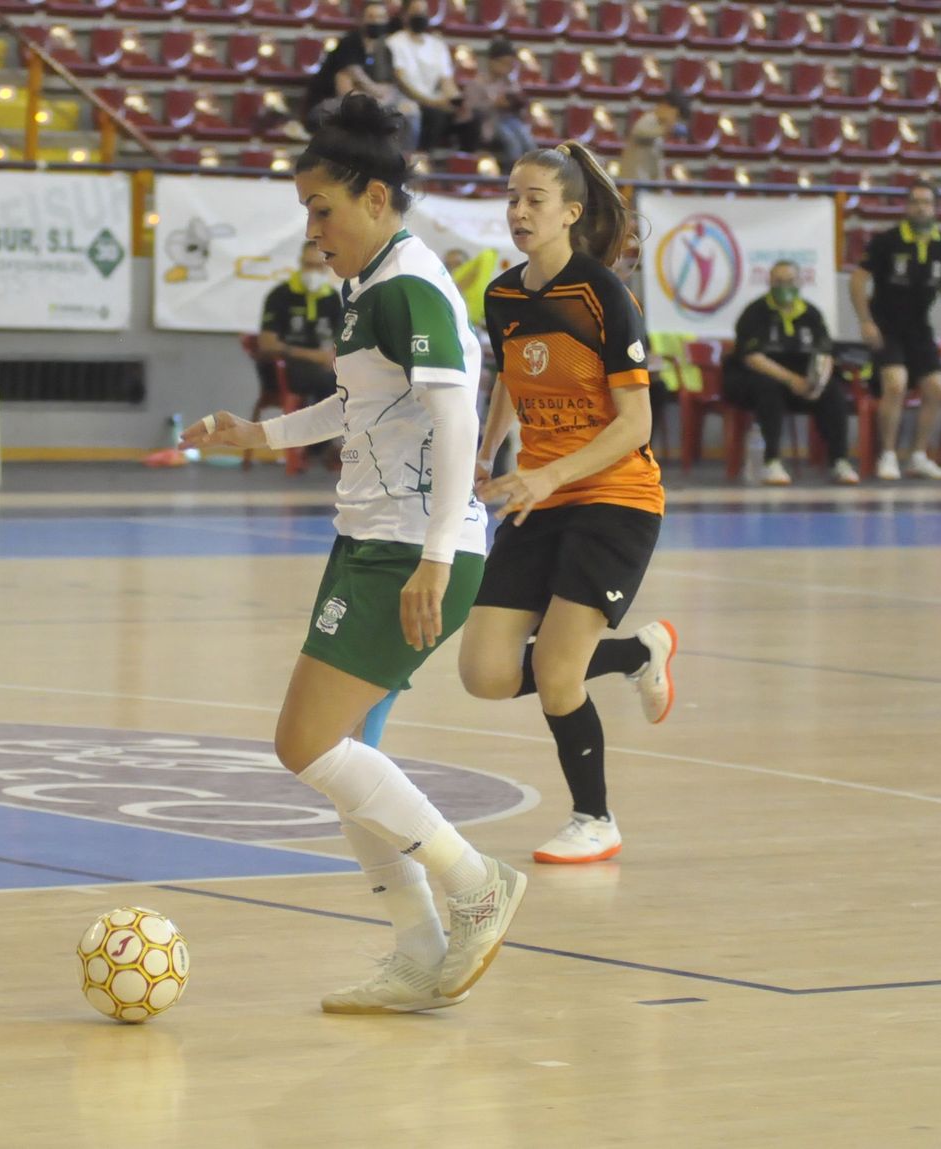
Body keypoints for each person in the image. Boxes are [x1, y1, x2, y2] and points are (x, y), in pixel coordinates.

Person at [179, 93, 525, 1014]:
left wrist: (437, 557)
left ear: (375, 198)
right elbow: (356, 406)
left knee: (305, 742)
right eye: (305, 210)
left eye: (322, 208)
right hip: (369, 538)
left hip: (411, 549)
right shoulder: (368, 287)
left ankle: (476, 882)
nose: (312, 230)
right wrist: (258, 435)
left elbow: (457, 421)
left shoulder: (410, 284)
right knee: (352, 759)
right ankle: (417, 949)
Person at [457, 141, 677, 865]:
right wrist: (488, 452)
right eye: (511, 198)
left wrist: (550, 476)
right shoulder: (503, 295)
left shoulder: (603, 296)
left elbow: (635, 425)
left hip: (615, 497)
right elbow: (511, 378)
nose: (518, 212)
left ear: (571, 214)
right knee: (485, 673)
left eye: (535, 200)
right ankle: (635, 653)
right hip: (539, 495)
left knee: (556, 675)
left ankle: (595, 818)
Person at [849, 180, 941, 480]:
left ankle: (918, 456)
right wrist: (865, 321)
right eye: (915, 202)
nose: (921, 208)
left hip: (919, 327)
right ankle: (887, 455)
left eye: (926, 202)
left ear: (935, 208)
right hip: (886, 325)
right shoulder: (887, 241)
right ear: (907, 207)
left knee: (936, 387)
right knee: (896, 383)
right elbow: (857, 280)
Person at [726, 260, 859, 486]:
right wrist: (791, 380)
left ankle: (839, 461)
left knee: (833, 392)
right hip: (763, 380)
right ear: (769, 282)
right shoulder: (755, 312)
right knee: (767, 389)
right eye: (778, 281)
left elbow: (825, 354)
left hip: (803, 382)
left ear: (800, 282)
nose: (784, 286)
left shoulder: (811, 314)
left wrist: (817, 383)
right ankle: (771, 461)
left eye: (789, 281)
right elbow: (752, 357)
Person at [303, 2, 419, 150]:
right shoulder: (349, 44)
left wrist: (382, 99)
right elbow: (346, 90)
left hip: (371, 101)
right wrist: (377, 97)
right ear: (361, 20)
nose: (376, 21)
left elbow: (389, 87)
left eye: (380, 17)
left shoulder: (386, 49)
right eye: (371, 17)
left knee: (410, 110)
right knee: (361, 112)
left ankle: (403, 157)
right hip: (331, 104)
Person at [258, 239, 343, 406]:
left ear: (327, 266)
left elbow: (341, 338)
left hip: (324, 363)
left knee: (353, 377)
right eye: (308, 265)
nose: (313, 271)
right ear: (300, 263)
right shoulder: (280, 295)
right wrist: (314, 356)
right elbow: (267, 344)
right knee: (327, 380)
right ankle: (321, 421)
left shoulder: (331, 297)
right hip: (286, 366)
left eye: (318, 266)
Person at [387, 0, 463, 152]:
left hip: (434, 99)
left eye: (423, 12)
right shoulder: (394, 42)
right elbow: (402, 81)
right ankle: (419, 157)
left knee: (469, 118)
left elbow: (446, 81)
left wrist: (456, 102)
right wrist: (431, 102)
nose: (420, 16)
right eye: (416, 12)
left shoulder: (437, 45)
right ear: (404, 15)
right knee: (433, 115)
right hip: (406, 98)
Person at [456, 37, 536, 170]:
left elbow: (520, 105)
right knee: (511, 140)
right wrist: (493, 104)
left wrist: (516, 103)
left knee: (527, 139)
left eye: (510, 64)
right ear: (492, 62)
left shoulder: (511, 83)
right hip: (491, 122)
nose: (507, 68)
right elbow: (469, 112)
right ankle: (514, 172)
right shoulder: (477, 83)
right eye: (504, 63)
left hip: (511, 120)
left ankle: (533, 170)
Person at [617, 90, 690, 182]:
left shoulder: (659, 126)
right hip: (634, 182)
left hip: (646, 182)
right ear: (666, 105)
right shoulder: (648, 120)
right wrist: (667, 128)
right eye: (676, 115)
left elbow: (657, 164)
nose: (675, 120)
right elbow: (640, 133)